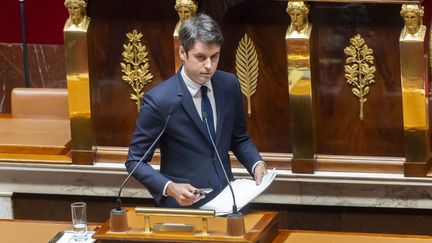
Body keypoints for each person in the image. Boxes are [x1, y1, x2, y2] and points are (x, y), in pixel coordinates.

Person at [126, 13, 267, 208]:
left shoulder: (229, 85)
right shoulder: (160, 100)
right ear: (182, 53)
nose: (209, 66)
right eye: (200, 57)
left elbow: (239, 137)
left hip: (231, 201)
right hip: (184, 207)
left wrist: (256, 163)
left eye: (214, 57)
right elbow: (135, 161)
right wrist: (170, 187)